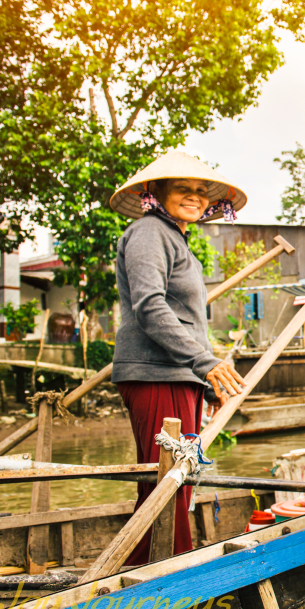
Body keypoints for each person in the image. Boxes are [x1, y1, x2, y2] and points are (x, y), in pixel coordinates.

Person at [108, 151, 247, 565]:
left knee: (175, 482)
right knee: (166, 484)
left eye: (201, 192)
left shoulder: (176, 239)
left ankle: (156, 567)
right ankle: (162, 575)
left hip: (176, 375)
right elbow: (149, 306)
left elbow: (184, 319)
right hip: (156, 375)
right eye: (182, 189)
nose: (194, 197)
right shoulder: (150, 232)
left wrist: (205, 383)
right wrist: (207, 363)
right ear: (156, 194)